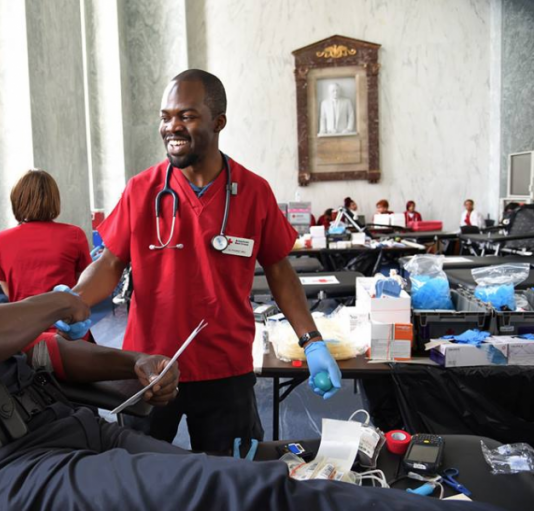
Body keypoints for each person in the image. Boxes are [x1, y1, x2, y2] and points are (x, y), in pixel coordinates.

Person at [0, 162, 491, 511]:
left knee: (258, 472)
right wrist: (60, 297)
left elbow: (48, 351)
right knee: (236, 492)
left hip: (64, 428)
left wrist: (134, 359)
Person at [69, 69, 342, 454]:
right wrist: (75, 300)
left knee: (232, 479)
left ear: (218, 122)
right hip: (149, 368)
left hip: (225, 370)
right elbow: (111, 262)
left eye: (186, 115)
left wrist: (312, 342)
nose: (171, 127)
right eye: (165, 117)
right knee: (139, 475)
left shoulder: (252, 191)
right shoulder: (142, 190)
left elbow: (280, 272)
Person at [0, 169, 91, 303]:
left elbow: (5, 282)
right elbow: (84, 279)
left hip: (22, 320)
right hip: (65, 319)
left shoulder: (2, 239)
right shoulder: (74, 234)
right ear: (54, 199)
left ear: (17, 199)